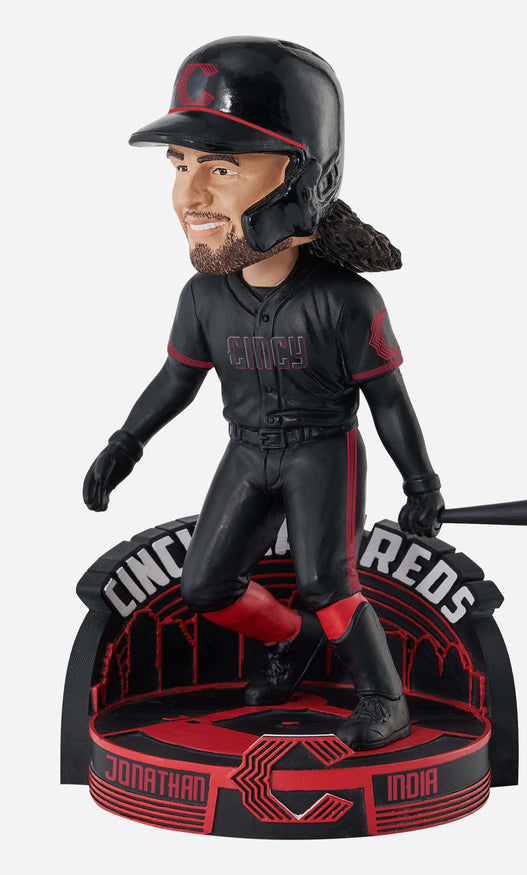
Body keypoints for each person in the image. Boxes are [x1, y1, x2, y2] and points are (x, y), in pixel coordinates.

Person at [83, 37, 444, 751]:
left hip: (321, 451)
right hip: (247, 450)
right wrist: (126, 443)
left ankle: (385, 697)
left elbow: (389, 401)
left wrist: (421, 483)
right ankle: (295, 639)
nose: (190, 196)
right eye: (181, 165)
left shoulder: (347, 301)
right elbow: (178, 379)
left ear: (303, 177)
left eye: (221, 167)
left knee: (328, 582)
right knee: (205, 585)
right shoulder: (204, 296)